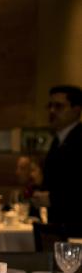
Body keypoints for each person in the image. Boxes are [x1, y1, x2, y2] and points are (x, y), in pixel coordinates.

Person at [42, 84, 82, 234]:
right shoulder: (57, 140)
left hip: (76, 229)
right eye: (50, 106)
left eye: (58, 106)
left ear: (76, 109)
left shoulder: (79, 139)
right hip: (59, 226)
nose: (52, 111)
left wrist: (53, 199)